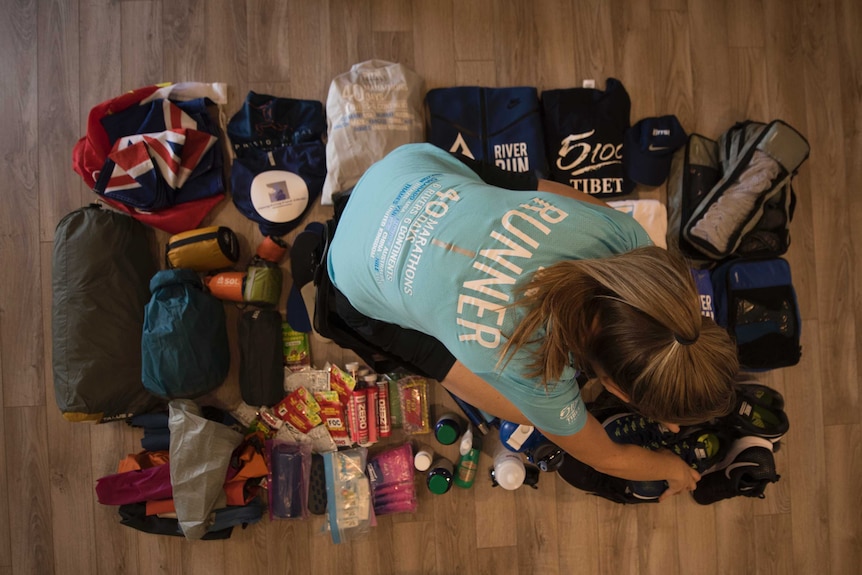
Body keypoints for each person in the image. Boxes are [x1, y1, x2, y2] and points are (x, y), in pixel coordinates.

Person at [325, 142, 739, 499]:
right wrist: (673, 468)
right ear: (613, 387)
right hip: (352, 266)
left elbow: (537, 189)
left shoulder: (627, 238)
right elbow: (609, 457)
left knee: (512, 191)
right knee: (438, 352)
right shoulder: (533, 377)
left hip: (406, 172)